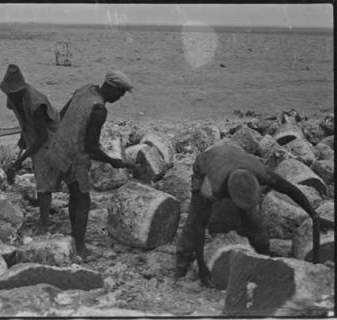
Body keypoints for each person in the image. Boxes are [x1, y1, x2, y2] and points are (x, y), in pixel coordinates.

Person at [175, 144, 329, 287]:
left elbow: (290, 190)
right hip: (207, 163)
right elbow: (199, 225)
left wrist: (313, 214)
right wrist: (202, 267)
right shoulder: (211, 187)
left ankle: (263, 253)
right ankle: (182, 259)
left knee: (251, 217)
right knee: (194, 216)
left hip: (235, 158)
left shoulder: (261, 172)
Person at [44, 70, 137, 261]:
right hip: (75, 157)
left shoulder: (85, 89)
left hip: (59, 147)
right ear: (112, 88)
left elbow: (61, 115)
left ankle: (75, 238)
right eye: (120, 93)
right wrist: (114, 161)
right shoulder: (99, 110)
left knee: (75, 196)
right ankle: (80, 247)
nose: (120, 98)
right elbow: (91, 147)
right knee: (83, 200)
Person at [0, 64, 60, 234]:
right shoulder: (12, 98)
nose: (10, 95)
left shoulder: (36, 101)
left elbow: (42, 136)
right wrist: (23, 137)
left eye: (13, 92)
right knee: (43, 175)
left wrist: (21, 159)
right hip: (32, 132)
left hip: (50, 135)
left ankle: (43, 224)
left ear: (21, 89)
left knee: (43, 179)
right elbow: (24, 118)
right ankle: (47, 210)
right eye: (9, 92)